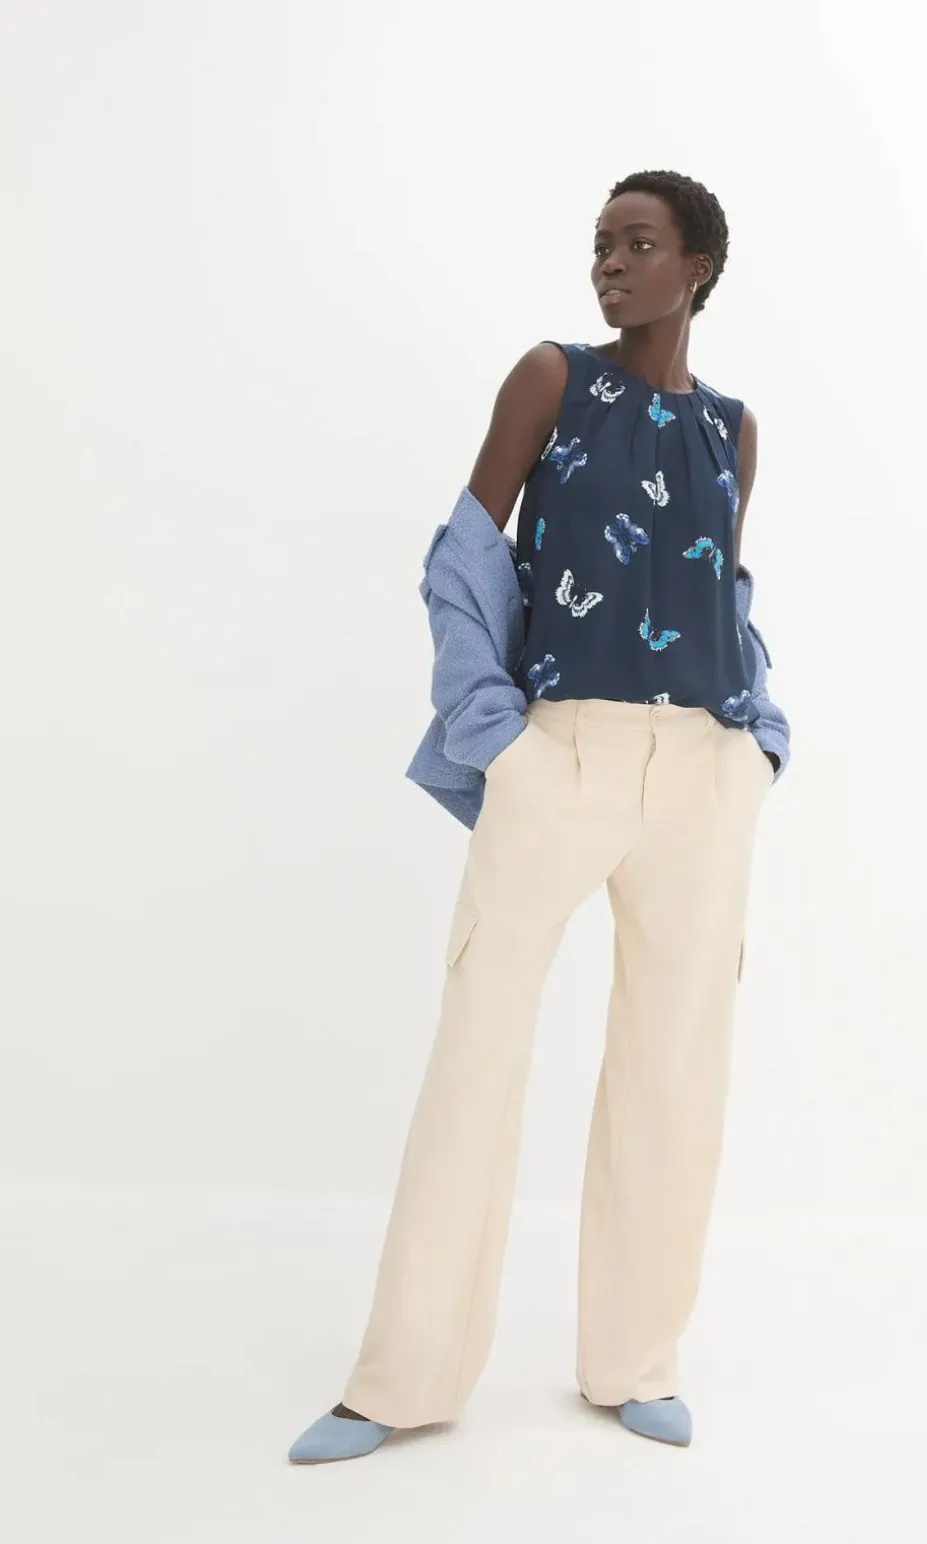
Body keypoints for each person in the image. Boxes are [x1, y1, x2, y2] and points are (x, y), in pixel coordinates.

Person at [289, 169, 791, 1463]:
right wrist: (495, 737)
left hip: (702, 775)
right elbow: (463, 559)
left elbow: (720, 586)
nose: (609, 264)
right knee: (477, 1052)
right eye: (600, 244)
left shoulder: (732, 430)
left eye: (638, 244)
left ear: (697, 268)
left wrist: (759, 742)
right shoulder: (551, 380)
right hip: (557, 756)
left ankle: (635, 1358)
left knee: (674, 1071)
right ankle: (399, 1380)